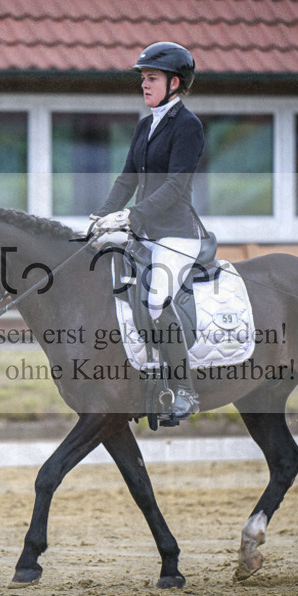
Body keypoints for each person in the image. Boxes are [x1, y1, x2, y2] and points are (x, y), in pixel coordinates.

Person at [90, 41, 206, 426]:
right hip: (142, 230)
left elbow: (175, 187)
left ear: (175, 83)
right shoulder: (145, 125)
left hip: (176, 234)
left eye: (151, 78)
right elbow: (127, 179)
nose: (144, 84)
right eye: (142, 78)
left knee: (157, 300)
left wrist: (129, 216)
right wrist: (102, 218)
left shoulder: (188, 126)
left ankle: (185, 390)